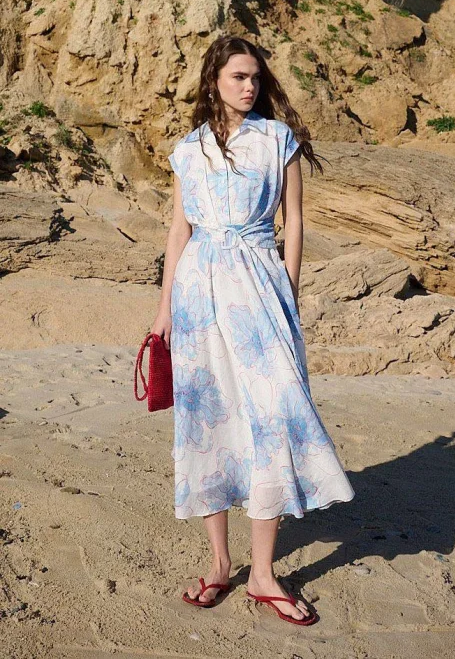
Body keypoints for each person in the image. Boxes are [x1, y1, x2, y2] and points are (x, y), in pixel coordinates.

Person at [151, 34, 355, 625]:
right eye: (239, 76)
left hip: (260, 285)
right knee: (207, 417)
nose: (249, 86)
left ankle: (262, 574)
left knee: (273, 414)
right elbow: (178, 231)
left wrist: (288, 291)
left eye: (255, 78)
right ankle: (220, 564)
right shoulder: (187, 149)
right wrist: (164, 310)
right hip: (197, 291)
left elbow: (294, 221)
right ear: (213, 80)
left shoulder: (277, 139)